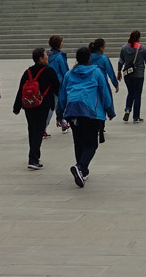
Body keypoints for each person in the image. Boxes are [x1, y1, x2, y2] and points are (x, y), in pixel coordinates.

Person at [58, 45, 115, 186]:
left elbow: (62, 96)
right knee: (91, 144)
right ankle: (81, 167)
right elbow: (104, 92)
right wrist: (110, 110)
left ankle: (82, 171)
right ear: (89, 58)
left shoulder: (69, 74)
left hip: (73, 111)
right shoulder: (96, 72)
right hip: (91, 112)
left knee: (78, 141)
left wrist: (60, 114)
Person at [12, 48, 61, 170]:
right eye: (45, 55)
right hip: (43, 106)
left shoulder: (27, 72)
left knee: (32, 130)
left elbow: (20, 90)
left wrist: (16, 107)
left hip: (29, 105)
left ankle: (35, 156)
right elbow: (57, 89)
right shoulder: (49, 71)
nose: (47, 57)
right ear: (40, 58)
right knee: (38, 131)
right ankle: (33, 159)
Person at [116, 29, 146, 123]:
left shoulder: (124, 48)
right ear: (139, 38)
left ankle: (127, 109)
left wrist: (118, 71)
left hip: (127, 74)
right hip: (139, 74)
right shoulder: (143, 48)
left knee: (130, 92)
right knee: (137, 94)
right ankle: (136, 116)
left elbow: (120, 61)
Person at [47, 35, 70, 132]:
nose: (63, 44)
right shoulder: (60, 56)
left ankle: (63, 122)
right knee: (57, 104)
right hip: (59, 83)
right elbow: (64, 71)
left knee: (55, 104)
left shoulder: (46, 54)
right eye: (61, 42)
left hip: (48, 82)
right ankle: (43, 127)